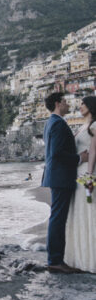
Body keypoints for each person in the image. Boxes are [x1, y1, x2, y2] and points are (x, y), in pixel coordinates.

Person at [42, 92, 88, 274]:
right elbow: (57, 153)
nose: (68, 105)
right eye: (65, 102)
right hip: (61, 177)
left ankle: (55, 258)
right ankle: (55, 260)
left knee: (57, 218)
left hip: (57, 176)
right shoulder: (58, 124)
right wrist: (79, 158)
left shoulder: (50, 123)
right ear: (58, 103)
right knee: (58, 219)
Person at [65, 95, 96, 273]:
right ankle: (79, 256)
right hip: (77, 172)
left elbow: (93, 151)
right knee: (78, 212)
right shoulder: (83, 125)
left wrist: (90, 175)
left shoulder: (94, 126)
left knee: (89, 212)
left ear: (91, 106)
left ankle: (90, 258)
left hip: (86, 172)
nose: (80, 106)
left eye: (83, 103)